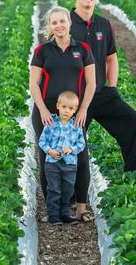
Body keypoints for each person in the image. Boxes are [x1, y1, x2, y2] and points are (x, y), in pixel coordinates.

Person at [69, 0, 136, 223]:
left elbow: (111, 57)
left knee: (132, 121)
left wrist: (112, 87)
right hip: (77, 98)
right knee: (75, 144)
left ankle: (132, 172)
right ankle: (71, 196)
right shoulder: (66, 22)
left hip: (101, 93)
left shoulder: (103, 24)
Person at [29, 5, 96, 222]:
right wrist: (42, 110)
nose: (59, 26)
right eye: (54, 22)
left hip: (74, 113)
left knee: (79, 157)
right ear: (50, 26)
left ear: (69, 23)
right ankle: (53, 211)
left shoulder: (83, 49)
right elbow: (34, 84)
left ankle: (81, 209)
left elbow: (91, 83)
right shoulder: (42, 51)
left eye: (62, 21)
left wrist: (83, 109)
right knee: (48, 159)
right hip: (48, 113)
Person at [38, 91, 86, 225]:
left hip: (70, 164)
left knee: (68, 190)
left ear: (75, 110)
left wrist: (71, 149)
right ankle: (53, 216)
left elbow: (81, 144)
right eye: (64, 107)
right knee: (54, 189)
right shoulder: (51, 123)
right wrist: (50, 151)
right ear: (58, 106)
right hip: (52, 163)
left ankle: (65, 214)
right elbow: (42, 141)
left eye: (71, 108)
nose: (66, 111)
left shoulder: (76, 126)